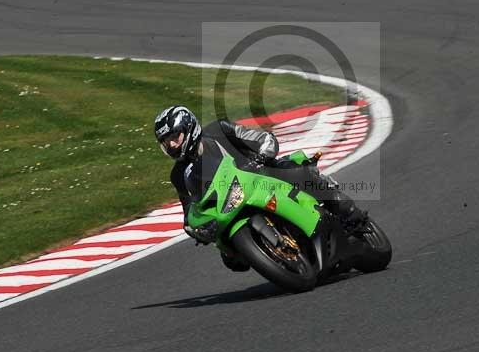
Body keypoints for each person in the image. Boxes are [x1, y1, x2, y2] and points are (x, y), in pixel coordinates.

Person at [154, 105, 368, 271]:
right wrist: (198, 231)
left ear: (189, 128)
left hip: (261, 175)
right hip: (231, 203)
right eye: (166, 142)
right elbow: (189, 212)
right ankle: (279, 256)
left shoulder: (219, 130)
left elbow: (263, 138)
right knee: (231, 260)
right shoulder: (179, 175)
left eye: (175, 137)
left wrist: (260, 157)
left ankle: (350, 213)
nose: (172, 145)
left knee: (295, 170)